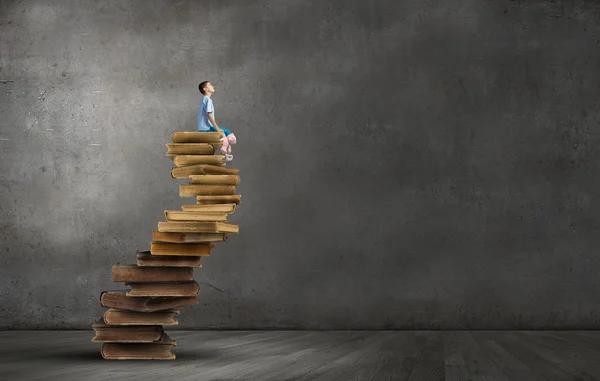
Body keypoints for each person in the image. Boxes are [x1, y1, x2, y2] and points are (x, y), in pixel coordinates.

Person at [197, 81, 236, 161]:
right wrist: (217, 128)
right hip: (207, 127)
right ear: (205, 89)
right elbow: (209, 115)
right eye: (210, 85)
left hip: (203, 127)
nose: (212, 86)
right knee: (223, 132)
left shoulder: (204, 99)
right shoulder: (208, 100)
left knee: (225, 132)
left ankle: (227, 149)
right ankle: (225, 150)